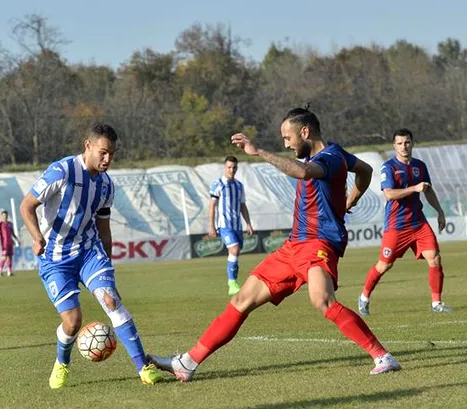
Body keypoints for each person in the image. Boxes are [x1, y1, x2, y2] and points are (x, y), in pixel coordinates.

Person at [149, 107, 401, 382]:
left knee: (323, 301)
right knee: (241, 300)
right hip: (293, 246)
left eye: (287, 137)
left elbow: (303, 172)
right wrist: (350, 200)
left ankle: (382, 356)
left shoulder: (328, 157)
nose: (286, 143)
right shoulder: (336, 153)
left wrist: (258, 152)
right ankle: (187, 363)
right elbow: (364, 170)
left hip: (318, 244)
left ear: (305, 132)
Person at [20, 123, 163, 389]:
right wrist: (36, 236)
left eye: (112, 154)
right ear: (88, 146)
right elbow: (27, 206)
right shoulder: (61, 171)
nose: (107, 159)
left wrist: (106, 265)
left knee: (111, 299)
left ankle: (143, 368)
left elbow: (104, 229)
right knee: (73, 322)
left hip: (88, 252)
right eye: (103, 152)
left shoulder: (106, 186)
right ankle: (62, 364)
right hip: (55, 259)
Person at [358, 129, 451, 315]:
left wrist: (440, 212)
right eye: (399, 143)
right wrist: (414, 188)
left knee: (435, 259)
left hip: (418, 223)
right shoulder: (389, 167)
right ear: (394, 146)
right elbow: (389, 193)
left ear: (412, 143)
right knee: (384, 265)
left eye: (407, 142)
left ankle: (436, 303)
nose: (404, 146)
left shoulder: (420, 166)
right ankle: (364, 297)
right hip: (396, 226)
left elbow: (428, 191)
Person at [208, 156, 254, 295]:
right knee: (234, 249)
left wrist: (248, 223)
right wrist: (211, 225)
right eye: (229, 167)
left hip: (237, 226)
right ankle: (232, 283)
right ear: (224, 167)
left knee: (236, 252)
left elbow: (242, 205)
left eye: (234, 168)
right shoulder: (218, 184)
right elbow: (212, 205)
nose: (231, 170)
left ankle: (234, 281)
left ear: (237, 168)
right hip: (224, 225)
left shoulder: (239, 186)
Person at [0, 210, 20, 277]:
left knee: (10, 257)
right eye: (3, 215)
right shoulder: (0, 224)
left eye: (6, 215)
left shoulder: (10, 224)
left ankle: (9, 272)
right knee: (4, 257)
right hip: (4, 243)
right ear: (1, 216)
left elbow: (12, 233)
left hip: (10, 243)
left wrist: (16, 239)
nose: (5, 217)